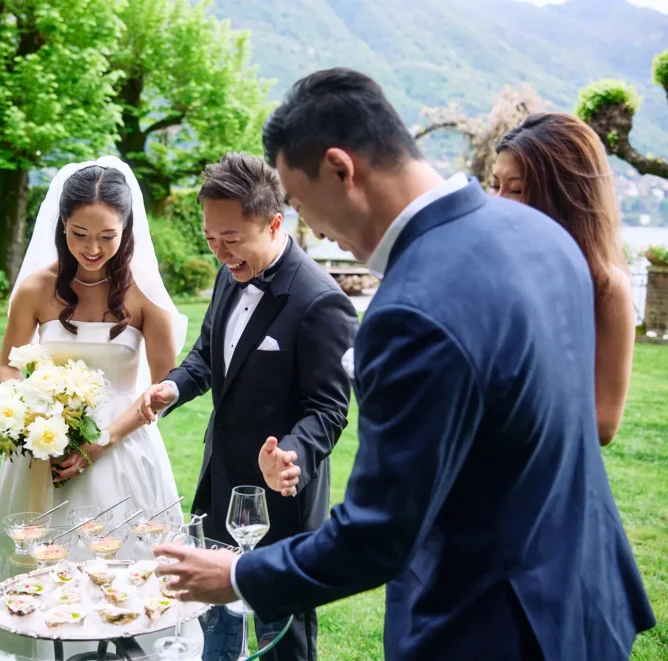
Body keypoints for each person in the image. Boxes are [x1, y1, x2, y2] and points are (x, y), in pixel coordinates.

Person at [154, 68, 656, 661]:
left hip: (488, 622)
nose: (316, 231)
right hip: (586, 595)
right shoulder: (538, 231)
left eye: (303, 204)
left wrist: (239, 576)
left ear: (341, 170)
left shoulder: (409, 311)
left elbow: (380, 531)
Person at [130, 152, 359, 661]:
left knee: (281, 639)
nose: (220, 253)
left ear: (274, 224)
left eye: (230, 240)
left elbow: (328, 408)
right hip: (220, 486)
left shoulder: (321, 301)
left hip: (279, 501)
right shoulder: (228, 275)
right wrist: (172, 388)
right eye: (210, 239)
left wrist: (291, 455)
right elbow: (207, 356)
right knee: (213, 627)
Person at [0, 156, 187, 533]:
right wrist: (29, 421)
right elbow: (8, 364)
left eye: (107, 236)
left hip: (124, 447)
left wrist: (100, 441)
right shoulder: (35, 289)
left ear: (126, 228)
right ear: (62, 223)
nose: (92, 248)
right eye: (80, 234)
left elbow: (164, 387)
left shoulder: (146, 293)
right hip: (45, 448)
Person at [491, 112, 634, 445]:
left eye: (516, 189)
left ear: (564, 198)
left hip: (542, 465)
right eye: (495, 185)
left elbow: (604, 424)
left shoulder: (605, 286)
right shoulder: (490, 268)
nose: (496, 202)